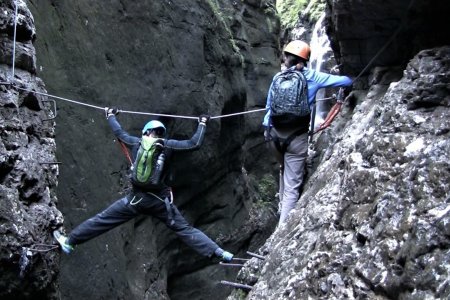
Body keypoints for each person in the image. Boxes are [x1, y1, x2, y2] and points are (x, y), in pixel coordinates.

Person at [53, 108, 234, 262]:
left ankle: (70, 242)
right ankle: (219, 252)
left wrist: (110, 115)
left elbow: (119, 132)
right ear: (161, 134)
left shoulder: (135, 142)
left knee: (102, 220)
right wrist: (202, 123)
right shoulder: (167, 145)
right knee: (185, 229)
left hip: (135, 201)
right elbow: (194, 143)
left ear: (146, 132)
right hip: (160, 203)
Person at [263, 40, 353, 225]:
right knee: (292, 189)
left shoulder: (277, 78)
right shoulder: (312, 76)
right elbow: (345, 81)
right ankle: (280, 234)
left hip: (272, 136)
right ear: (305, 60)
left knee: (284, 167)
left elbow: (268, 108)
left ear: (286, 58)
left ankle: (281, 206)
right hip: (297, 139)